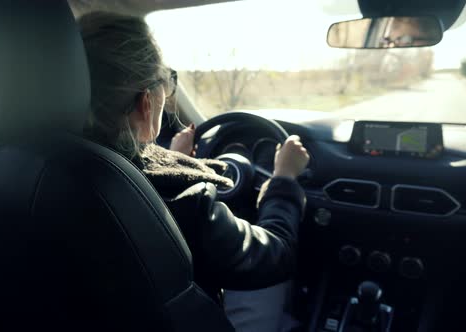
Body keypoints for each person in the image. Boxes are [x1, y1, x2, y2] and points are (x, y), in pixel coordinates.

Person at [79, 11, 310, 331]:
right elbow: (275, 255)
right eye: (166, 83)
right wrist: (283, 182)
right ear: (147, 103)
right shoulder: (183, 200)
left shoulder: (27, 169)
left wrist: (173, 159)